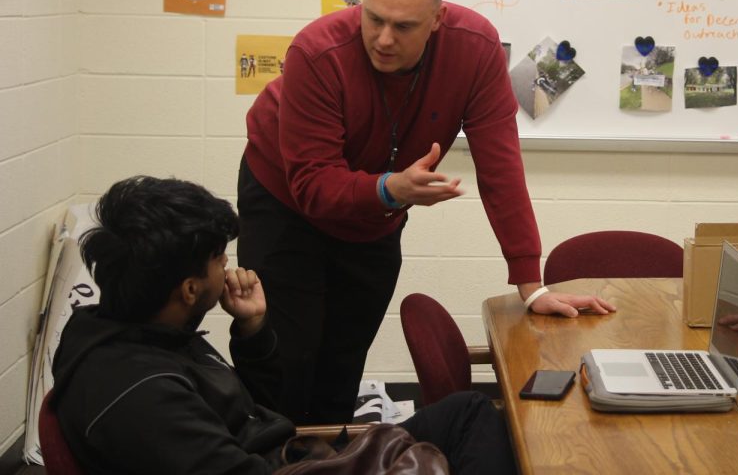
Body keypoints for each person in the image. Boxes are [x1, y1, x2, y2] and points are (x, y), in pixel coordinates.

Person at [238, 0, 615, 424]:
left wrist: (530, 283)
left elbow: (501, 167)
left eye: (404, 27)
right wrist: (389, 190)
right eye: (372, 19)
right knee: (287, 360)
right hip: (285, 198)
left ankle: (329, 457)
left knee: (342, 359)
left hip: (377, 210)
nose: (383, 38)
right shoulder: (317, 52)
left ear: (437, 18)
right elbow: (313, 185)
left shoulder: (474, 48)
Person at [51, 175, 516, 475]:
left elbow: (256, 414)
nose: (227, 264)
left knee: (470, 411)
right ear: (190, 289)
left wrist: (252, 330)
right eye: (218, 258)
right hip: (286, 466)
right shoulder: (141, 395)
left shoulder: (141, 327)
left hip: (292, 454)